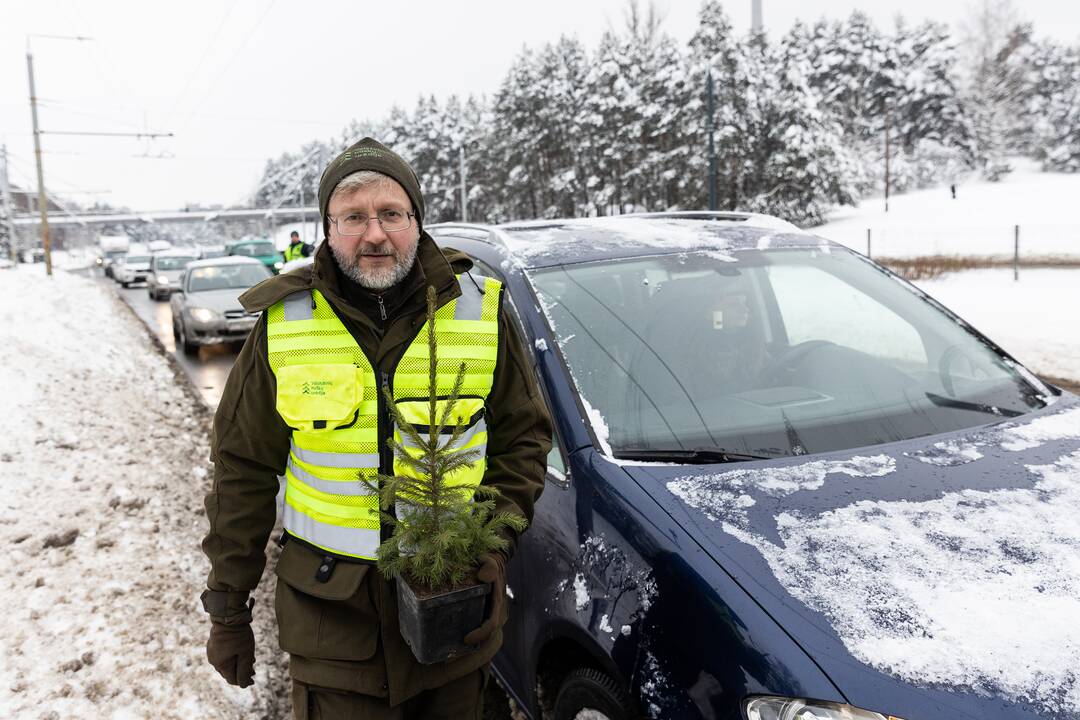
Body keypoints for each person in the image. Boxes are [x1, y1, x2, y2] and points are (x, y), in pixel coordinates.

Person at [199, 137, 552, 718]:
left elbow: (524, 440)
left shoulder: (479, 310)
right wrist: (227, 607)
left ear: (416, 221)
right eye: (353, 217)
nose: (374, 234)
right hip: (332, 626)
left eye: (391, 213)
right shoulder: (285, 324)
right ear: (327, 229)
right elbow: (242, 469)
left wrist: (491, 543)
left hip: (455, 616)